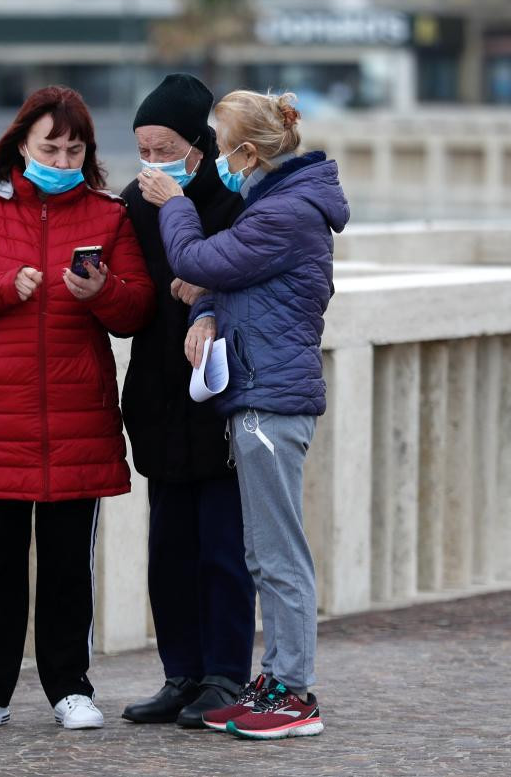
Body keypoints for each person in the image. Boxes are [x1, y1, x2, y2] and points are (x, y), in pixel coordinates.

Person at [0, 85, 155, 732]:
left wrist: (102, 289)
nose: (61, 155)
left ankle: (70, 686)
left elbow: (137, 308)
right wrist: (3, 284)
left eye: (74, 147)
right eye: (49, 145)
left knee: (65, 563)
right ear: (21, 144)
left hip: (76, 414)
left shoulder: (108, 216)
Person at [137, 89, 349, 740]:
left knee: (278, 554)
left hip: (270, 401)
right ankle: (277, 679)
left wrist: (175, 208)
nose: (216, 161)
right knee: (262, 552)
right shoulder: (277, 203)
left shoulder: (285, 213)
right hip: (260, 396)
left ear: (249, 152)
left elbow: (200, 261)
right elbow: (228, 283)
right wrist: (205, 308)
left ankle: (293, 694)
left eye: (222, 148)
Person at [117, 74, 261, 729]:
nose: (152, 162)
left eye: (165, 147)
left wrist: (205, 297)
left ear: (198, 145)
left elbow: (254, 283)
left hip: (221, 399)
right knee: (169, 548)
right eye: (144, 149)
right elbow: (129, 303)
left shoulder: (234, 201)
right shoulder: (132, 205)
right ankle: (180, 673)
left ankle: (225, 673)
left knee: (222, 550)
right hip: (157, 395)